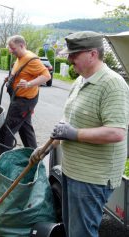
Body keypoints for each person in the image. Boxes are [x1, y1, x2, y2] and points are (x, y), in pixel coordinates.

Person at [49, 31, 129, 237]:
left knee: (81, 233)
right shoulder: (81, 81)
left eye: (74, 55)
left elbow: (116, 132)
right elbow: (67, 120)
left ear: (92, 54)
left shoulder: (113, 84)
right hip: (72, 170)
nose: (69, 59)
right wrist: (51, 143)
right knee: (72, 229)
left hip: (92, 177)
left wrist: (74, 134)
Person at [0, 35, 51, 155]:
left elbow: (46, 76)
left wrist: (29, 84)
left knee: (7, 129)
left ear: (21, 46)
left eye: (13, 48)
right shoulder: (20, 57)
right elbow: (21, 72)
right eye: (9, 48)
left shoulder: (31, 59)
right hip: (20, 99)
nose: (10, 51)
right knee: (25, 129)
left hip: (24, 101)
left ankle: (3, 161)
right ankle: (34, 157)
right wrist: (11, 78)